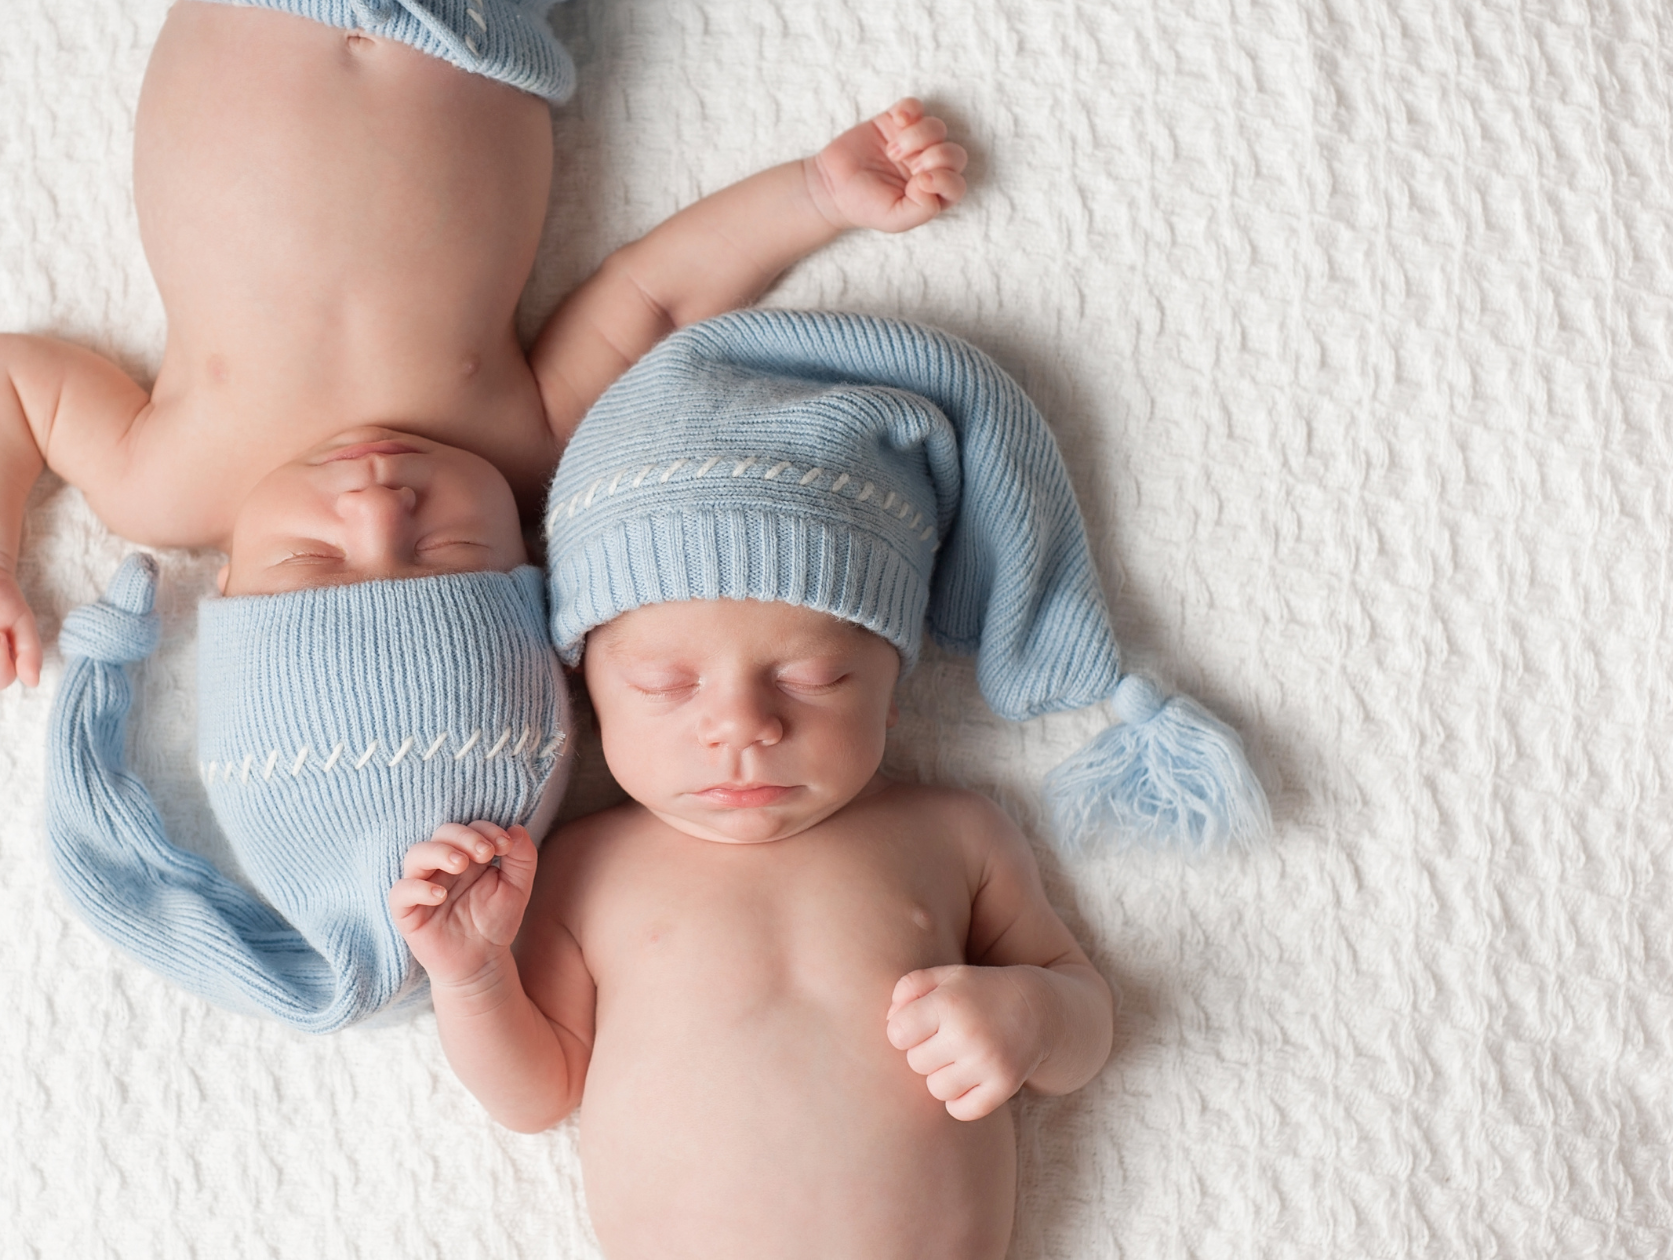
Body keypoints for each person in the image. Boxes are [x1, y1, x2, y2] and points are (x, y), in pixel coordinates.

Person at [391, 309, 1268, 1252]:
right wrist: (474, 976)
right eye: (665, 684)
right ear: (589, 695)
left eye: (812, 679)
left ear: (892, 691)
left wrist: (1030, 1015)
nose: (741, 727)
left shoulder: (956, 833)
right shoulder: (584, 865)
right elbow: (539, 1093)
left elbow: (1084, 1020)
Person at [0, 0, 969, 691]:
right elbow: (654, 301)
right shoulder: (520, 440)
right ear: (520, 560)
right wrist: (814, 196)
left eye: (314, 560)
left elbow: (5, 384)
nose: (377, 505)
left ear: (226, 596)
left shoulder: (162, 486)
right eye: (444, 551)